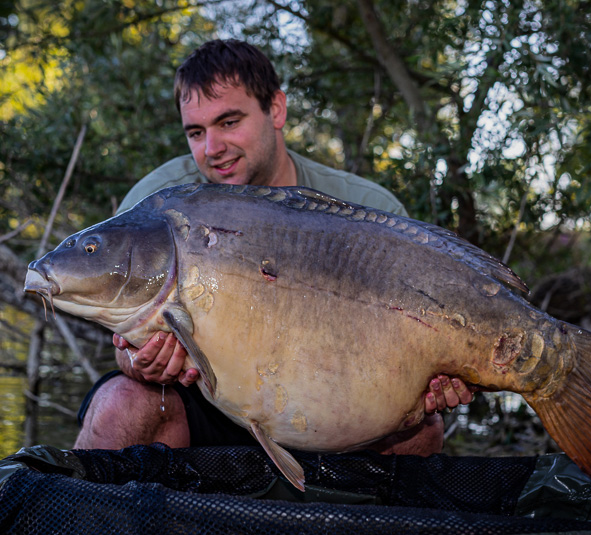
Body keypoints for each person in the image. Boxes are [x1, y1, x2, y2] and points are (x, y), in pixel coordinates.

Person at [74, 39, 475, 456]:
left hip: (331, 409)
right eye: (196, 132)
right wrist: (141, 361)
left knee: (421, 431)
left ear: (276, 110)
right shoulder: (157, 205)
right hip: (205, 397)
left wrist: (436, 378)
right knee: (121, 404)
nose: (212, 149)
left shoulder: (368, 211)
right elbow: (123, 346)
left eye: (229, 122)